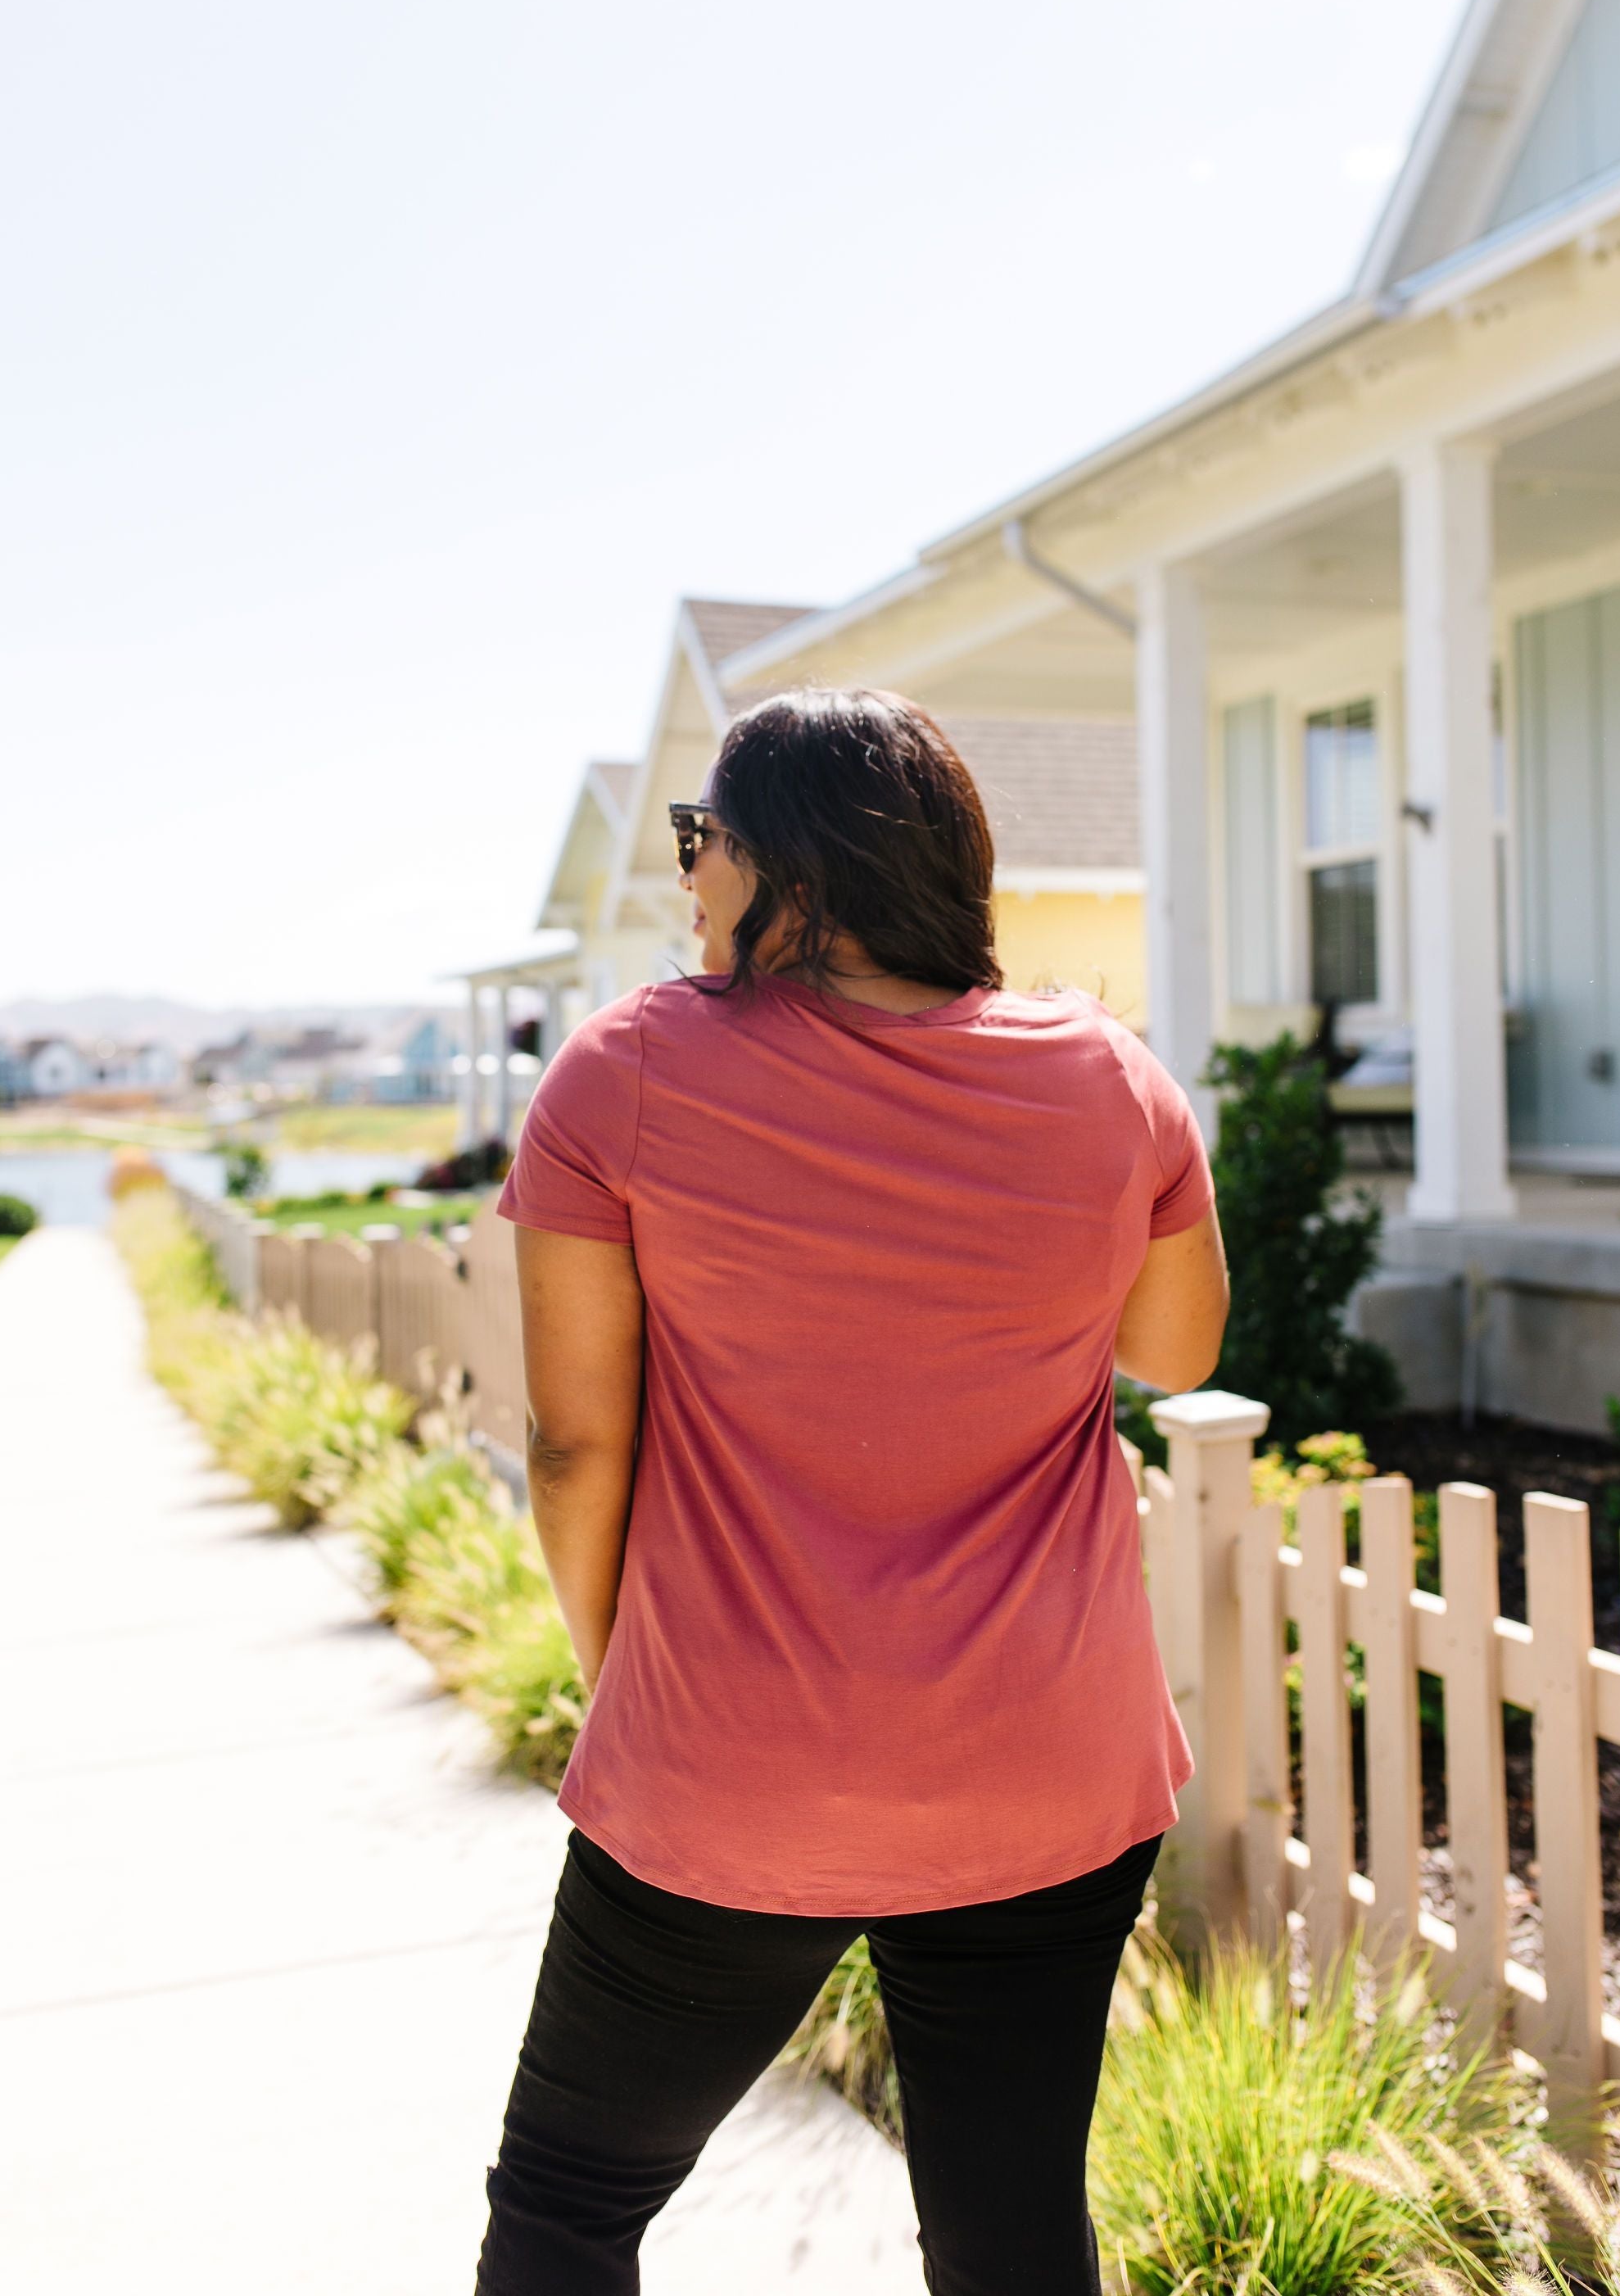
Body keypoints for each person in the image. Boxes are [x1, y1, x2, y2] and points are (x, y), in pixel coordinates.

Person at [473, 686, 1229, 2295]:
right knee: (1010, 2225)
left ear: (789, 871)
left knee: (567, 2205)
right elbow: (1173, 1347)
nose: (685, 877)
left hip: (729, 1764)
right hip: (1045, 1761)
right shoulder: (1107, 1076)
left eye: (704, 840)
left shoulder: (626, 1075)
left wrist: (627, 1678)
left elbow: (573, 1444)